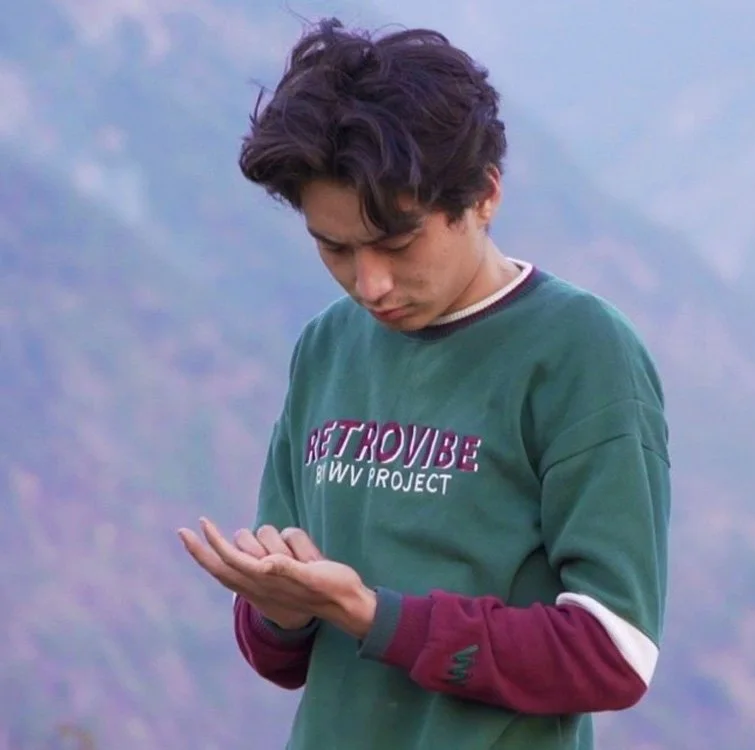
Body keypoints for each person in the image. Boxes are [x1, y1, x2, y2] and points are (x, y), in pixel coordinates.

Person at [175, 16, 671, 750]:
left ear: (484, 196)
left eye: (398, 241)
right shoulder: (328, 347)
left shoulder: (579, 351)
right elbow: (285, 657)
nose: (369, 284)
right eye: (334, 247)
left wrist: (377, 617)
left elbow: (614, 653)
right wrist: (279, 608)